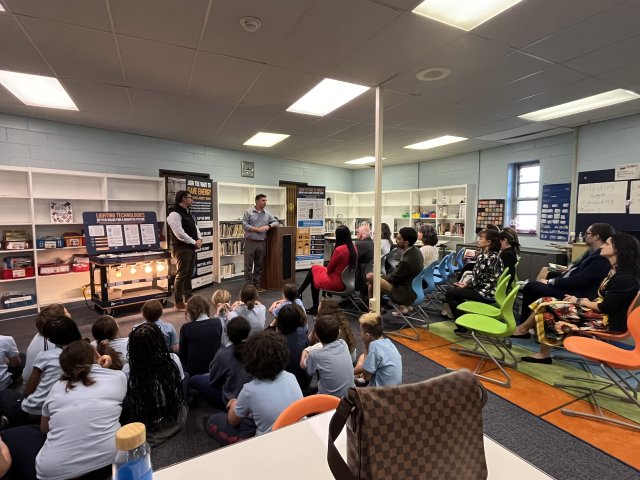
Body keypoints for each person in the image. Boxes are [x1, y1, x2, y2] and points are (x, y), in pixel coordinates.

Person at [2, 340, 126, 480]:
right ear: (97, 355)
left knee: (9, 437)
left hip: (55, 474)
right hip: (110, 461)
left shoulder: (57, 388)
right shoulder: (117, 378)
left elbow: (44, 428)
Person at [513, 233, 640, 364]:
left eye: (607, 244)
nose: (602, 246)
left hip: (606, 321)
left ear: (618, 249)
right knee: (546, 301)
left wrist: (579, 301)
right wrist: (578, 300)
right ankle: (531, 338)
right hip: (599, 314)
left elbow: (606, 307)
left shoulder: (625, 277)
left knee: (547, 306)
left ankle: (536, 345)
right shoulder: (615, 271)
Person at [204, 330, 303, 445]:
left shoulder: (249, 390)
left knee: (212, 420)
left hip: (266, 444)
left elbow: (232, 421)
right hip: (295, 434)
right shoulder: (291, 377)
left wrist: (234, 403)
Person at [519, 223, 614, 324]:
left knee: (531, 286)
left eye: (587, 233)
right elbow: (576, 269)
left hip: (575, 293)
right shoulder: (592, 252)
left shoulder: (600, 258)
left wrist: (551, 282)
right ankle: (533, 320)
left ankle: (525, 325)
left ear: (596, 237)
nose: (584, 236)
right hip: (571, 284)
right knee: (540, 279)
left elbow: (580, 281)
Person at [0, 317, 81, 428]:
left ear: (51, 339)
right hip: (63, 411)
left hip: (35, 412)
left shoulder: (45, 356)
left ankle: (7, 421)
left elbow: (28, 391)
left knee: (7, 395)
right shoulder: (85, 354)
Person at [122, 323, 187, 447]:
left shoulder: (127, 370)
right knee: (186, 377)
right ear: (160, 342)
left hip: (145, 417)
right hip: (173, 413)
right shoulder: (173, 359)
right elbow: (180, 383)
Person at [189, 316, 252, 410]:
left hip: (231, 401)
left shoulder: (223, 354)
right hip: (252, 397)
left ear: (228, 334)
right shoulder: (257, 348)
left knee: (194, 379)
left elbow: (213, 379)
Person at [443, 228, 503, 326]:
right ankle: (465, 318)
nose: (477, 240)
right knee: (455, 291)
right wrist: (466, 284)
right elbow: (480, 276)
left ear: (488, 242)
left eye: (480, 238)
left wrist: (466, 285)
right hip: (489, 290)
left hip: (484, 292)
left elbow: (478, 280)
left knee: (450, 294)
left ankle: (462, 323)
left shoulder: (485, 258)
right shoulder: (495, 256)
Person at [297, 225, 357, 316]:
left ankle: (311, 304)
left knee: (314, 273)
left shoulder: (339, 250)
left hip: (337, 282)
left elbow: (329, 269)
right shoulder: (354, 248)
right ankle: (299, 293)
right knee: (315, 269)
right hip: (347, 281)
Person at [366, 227, 423, 314]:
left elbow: (393, 278)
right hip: (410, 286)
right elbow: (398, 273)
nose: (396, 240)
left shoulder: (406, 261)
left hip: (403, 291)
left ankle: (374, 310)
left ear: (406, 242)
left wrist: (380, 276)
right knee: (372, 285)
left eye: (399, 238)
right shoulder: (416, 251)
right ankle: (377, 309)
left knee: (370, 276)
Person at [301, 315, 355, 398]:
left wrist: (304, 351)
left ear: (316, 336)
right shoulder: (343, 344)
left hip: (329, 401)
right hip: (350, 397)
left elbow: (304, 366)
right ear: (338, 333)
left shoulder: (315, 355)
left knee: (302, 394)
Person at [167, 190, 202, 310]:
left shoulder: (188, 213)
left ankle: (188, 297)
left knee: (188, 274)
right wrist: (194, 242)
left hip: (190, 247)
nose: (192, 199)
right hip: (182, 249)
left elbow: (195, 227)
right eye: (190, 197)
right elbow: (179, 234)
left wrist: (199, 240)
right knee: (181, 275)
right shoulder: (174, 214)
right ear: (183, 199)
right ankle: (178, 301)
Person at [242, 193, 279, 292]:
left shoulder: (267, 214)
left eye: (266, 201)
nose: (265, 202)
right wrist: (256, 229)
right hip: (250, 242)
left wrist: (268, 226)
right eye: (263, 200)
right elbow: (245, 225)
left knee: (259, 266)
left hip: (261, 243)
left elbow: (276, 222)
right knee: (248, 266)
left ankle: (256, 286)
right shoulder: (248, 212)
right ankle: (248, 288)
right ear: (257, 201)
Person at [22, 304, 67, 383]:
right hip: (38, 387)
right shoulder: (54, 346)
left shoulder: (41, 334)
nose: (69, 314)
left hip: (29, 378)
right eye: (66, 312)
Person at [354, 313, 402, 386]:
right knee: (362, 358)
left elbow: (366, 377)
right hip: (395, 390)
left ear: (367, 335)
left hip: (380, 394)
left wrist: (366, 347)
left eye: (361, 331)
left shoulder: (374, 347)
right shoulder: (388, 343)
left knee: (351, 384)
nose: (360, 334)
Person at [179, 296, 223, 376]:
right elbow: (218, 345)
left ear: (190, 312)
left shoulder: (187, 328)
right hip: (214, 368)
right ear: (206, 308)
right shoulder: (217, 322)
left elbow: (182, 354)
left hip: (194, 372)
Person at [275, 304, 311, 391]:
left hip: (290, 385)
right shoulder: (303, 333)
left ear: (279, 321)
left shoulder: (276, 342)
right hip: (306, 379)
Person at [312, 299, 357, 364]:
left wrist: (316, 324)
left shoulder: (328, 327)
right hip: (350, 355)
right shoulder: (342, 321)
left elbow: (311, 340)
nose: (318, 306)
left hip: (341, 360)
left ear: (323, 309)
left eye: (319, 305)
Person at [355, 225, 374, 300]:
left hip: (361, 277)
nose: (357, 235)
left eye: (357, 233)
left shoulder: (361, 245)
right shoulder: (372, 243)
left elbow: (352, 258)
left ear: (361, 234)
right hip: (368, 273)